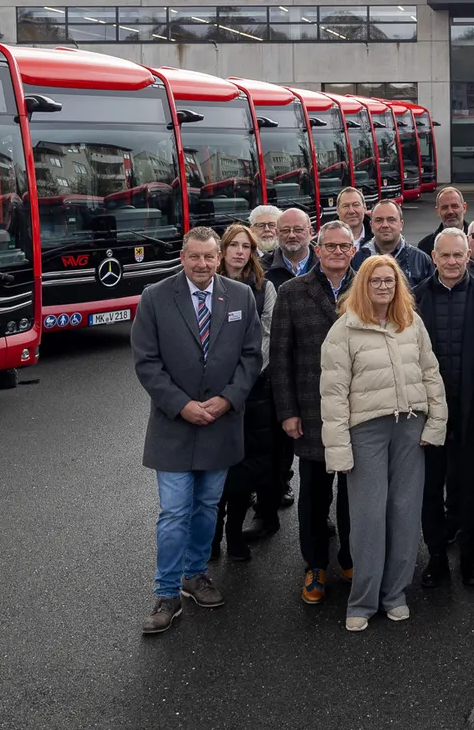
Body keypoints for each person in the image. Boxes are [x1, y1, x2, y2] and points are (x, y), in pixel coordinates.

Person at [133, 227, 264, 636]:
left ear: (219, 257)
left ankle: (194, 574)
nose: (203, 265)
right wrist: (181, 405)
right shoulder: (155, 297)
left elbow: (251, 356)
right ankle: (167, 592)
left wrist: (227, 400)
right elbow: (147, 363)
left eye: (210, 257)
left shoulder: (240, 296)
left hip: (221, 424)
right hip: (174, 426)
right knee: (174, 512)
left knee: (207, 507)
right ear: (183, 256)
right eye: (196, 257)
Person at [320, 255, 446, 631]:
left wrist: (435, 423)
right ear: (363, 285)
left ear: (398, 285)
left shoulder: (411, 323)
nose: (383, 287)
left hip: (410, 428)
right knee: (368, 518)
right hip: (367, 432)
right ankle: (362, 600)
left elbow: (430, 374)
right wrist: (338, 447)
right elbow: (333, 394)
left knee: (405, 513)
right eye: (375, 281)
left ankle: (394, 594)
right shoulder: (344, 331)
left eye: (389, 281)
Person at [268, 220, 357, 607]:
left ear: (354, 250)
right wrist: (287, 411)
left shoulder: (370, 286)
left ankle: (352, 558)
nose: (338, 253)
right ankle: (315, 564)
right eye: (330, 247)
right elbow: (280, 357)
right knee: (314, 495)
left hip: (359, 408)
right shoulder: (291, 292)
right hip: (311, 409)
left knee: (355, 493)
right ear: (317, 250)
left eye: (345, 247)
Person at [412, 228, 474, 587]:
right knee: (430, 489)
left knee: (472, 487)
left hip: (473, 412)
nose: (452, 262)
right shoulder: (412, 301)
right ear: (433, 258)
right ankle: (436, 557)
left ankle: (471, 556)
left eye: (458, 255)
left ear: (468, 256)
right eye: (444, 255)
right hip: (428, 413)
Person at [211, 223, 280, 564]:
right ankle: (210, 535)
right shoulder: (205, 284)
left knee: (244, 467)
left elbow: (266, 338)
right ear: (222, 250)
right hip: (213, 390)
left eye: (246, 247)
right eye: (233, 245)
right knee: (213, 466)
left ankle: (234, 534)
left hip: (253, 390)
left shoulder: (264, 289)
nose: (240, 252)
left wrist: (243, 377)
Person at [351, 198, 434, 284]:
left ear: (401, 225)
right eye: (379, 220)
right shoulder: (358, 260)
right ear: (371, 225)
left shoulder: (421, 261)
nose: (385, 225)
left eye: (391, 220)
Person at [265, 208, 316, 287]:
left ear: (310, 232)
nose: (292, 235)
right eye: (285, 230)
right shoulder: (262, 269)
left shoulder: (325, 265)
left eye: (298, 230)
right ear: (277, 233)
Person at [417, 186, 469, 255]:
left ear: (464, 208)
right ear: (437, 211)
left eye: (455, 206)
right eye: (445, 207)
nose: (450, 212)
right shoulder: (424, 247)